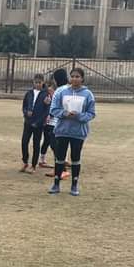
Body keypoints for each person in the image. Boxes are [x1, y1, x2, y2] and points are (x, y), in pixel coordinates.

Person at [48, 66, 96, 197]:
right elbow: (53, 109)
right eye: (72, 76)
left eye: (77, 77)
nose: (74, 79)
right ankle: (56, 183)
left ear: (82, 79)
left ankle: (74, 185)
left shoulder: (88, 94)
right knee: (60, 157)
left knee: (75, 158)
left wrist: (79, 116)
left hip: (78, 132)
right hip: (62, 130)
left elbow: (91, 113)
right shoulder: (62, 92)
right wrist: (64, 113)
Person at [40, 67, 70, 179]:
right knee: (55, 145)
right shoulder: (65, 89)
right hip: (58, 121)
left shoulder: (61, 90)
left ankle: (63, 169)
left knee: (55, 145)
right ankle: (58, 168)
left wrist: (50, 114)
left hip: (58, 122)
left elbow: (57, 106)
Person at [19, 73, 48, 173]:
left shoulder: (45, 94)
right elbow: (24, 106)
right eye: (36, 82)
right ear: (33, 82)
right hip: (28, 122)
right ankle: (25, 161)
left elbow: (46, 110)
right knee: (24, 142)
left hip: (38, 124)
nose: (37, 84)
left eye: (39, 82)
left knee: (36, 144)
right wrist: (26, 113)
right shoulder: (29, 93)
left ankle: (34, 165)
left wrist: (39, 122)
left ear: (43, 82)